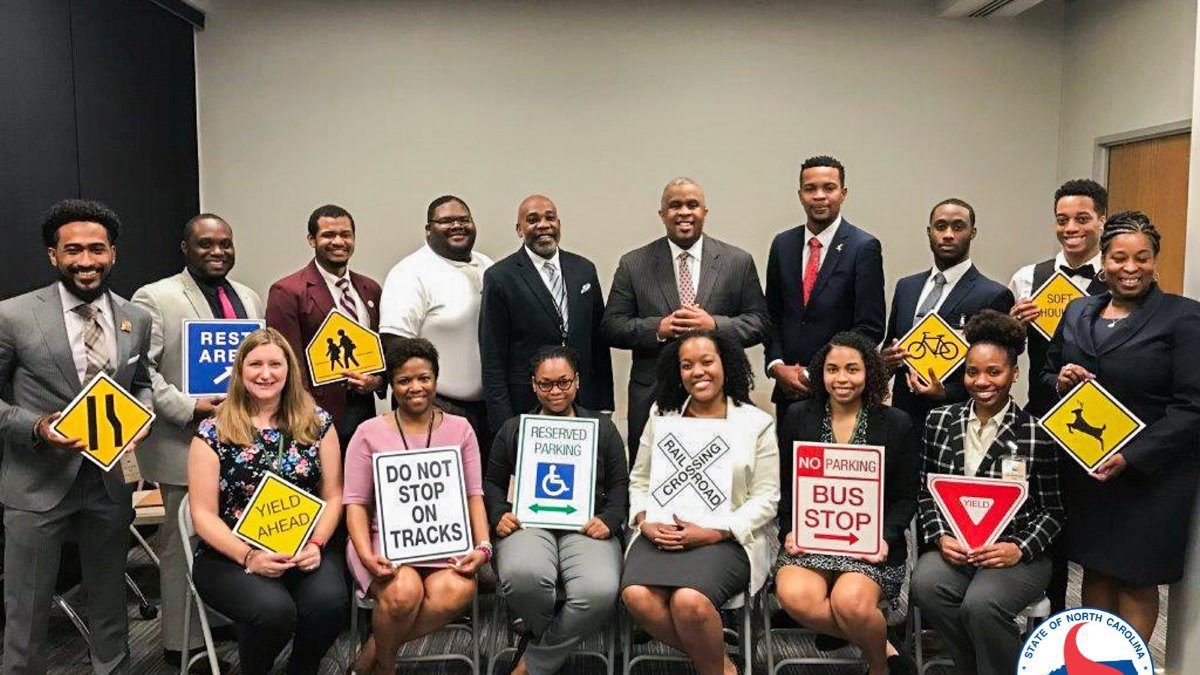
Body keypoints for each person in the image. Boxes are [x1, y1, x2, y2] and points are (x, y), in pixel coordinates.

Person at [0, 199, 153, 674]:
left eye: (96, 250)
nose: (85, 261)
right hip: (36, 482)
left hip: (109, 484)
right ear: (53, 256)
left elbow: (141, 380)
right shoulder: (14, 316)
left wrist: (143, 415)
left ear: (113, 254)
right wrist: (37, 427)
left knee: (110, 602)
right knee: (26, 613)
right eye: (73, 250)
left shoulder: (135, 318)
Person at [1041, 211, 1200, 642]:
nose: (1130, 268)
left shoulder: (1183, 317)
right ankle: (1096, 663)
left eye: (1142, 258)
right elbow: (1045, 373)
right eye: (1119, 258)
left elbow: (1193, 405)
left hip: (1151, 476)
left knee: (1135, 578)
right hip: (1090, 472)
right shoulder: (1077, 311)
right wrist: (1061, 380)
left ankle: (1129, 667)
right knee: (1095, 570)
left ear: (1155, 262)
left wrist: (1132, 455)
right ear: (1104, 261)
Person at [131, 213, 263, 665]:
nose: (217, 252)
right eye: (205, 244)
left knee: (225, 536)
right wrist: (187, 407)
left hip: (238, 443)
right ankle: (180, 644)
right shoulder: (155, 296)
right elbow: (140, 370)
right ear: (185, 248)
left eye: (225, 244)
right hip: (182, 441)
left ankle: (220, 621)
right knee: (180, 542)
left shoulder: (246, 295)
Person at [187, 328, 347, 675]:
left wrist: (318, 543)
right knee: (274, 612)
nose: (265, 373)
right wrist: (249, 557)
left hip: (304, 549)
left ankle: (301, 668)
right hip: (230, 555)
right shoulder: (213, 431)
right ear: (240, 372)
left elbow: (334, 496)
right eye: (255, 364)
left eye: (275, 364)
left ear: (289, 370)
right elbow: (202, 515)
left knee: (330, 603)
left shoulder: (317, 423)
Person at [912, 310, 1063, 675]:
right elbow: (925, 493)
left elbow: (1053, 511)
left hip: (1016, 553)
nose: (982, 381)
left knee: (981, 605)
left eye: (994, 372)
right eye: (972, 372)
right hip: (957, 547)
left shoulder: (1037, 432)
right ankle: (978, 667)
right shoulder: (939, 421)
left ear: (1014, 374)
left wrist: (1018, 549)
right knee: (924, 585)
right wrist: (939, 537)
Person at [621, 329, 779, 675]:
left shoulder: (757, 424)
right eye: (687, 365)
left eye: (707, 361)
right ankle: (722, 665)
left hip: (727, 538)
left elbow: (766, 499)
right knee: (636, 596)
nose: (698, 372)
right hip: (662, 533)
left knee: (688, 601)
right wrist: (644, 519)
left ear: (726, 365)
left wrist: (716, 532)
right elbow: (640, 480)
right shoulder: (662, 415)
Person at [773, 332, 918, 675]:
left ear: (869, 372)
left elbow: (906, 496)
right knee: (795, 597)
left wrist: (885, 537)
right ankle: (884, 649)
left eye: (852, 369)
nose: (841, 379)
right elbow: (785, 484)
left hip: (871, 543)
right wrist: (789, 530)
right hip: (811, 538)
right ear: (820, 374)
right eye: (832, 369)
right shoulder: (797, 416)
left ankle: (879, 669)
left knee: (849, 603)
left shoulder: (895, 423)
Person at [343, 337, 490, 675]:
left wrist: (483, 548)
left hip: (443, 541)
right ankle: (387, 668)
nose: (416, 387)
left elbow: (474, 495)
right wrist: (367, 556)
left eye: (424, 378)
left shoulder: (461, 429)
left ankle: (369, 661)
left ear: (436, 380)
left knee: (457, 590)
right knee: (403, 593)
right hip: (382, 542)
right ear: (392, 385)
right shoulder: (368, 433)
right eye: (404, 380)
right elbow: (355, 504)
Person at [484, 345, 628, 675]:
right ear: (533, 385)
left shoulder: (602, 428)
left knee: (599, 589)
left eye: (563, 382)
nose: (556, 391)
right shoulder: (514, 428)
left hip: (588, 526)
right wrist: (498, 514)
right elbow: (492, 483)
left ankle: (535, 658)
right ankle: (550, 636)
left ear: (577, 382)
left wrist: (609, 520)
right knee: (522, 577)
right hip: (529, 524)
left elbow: (621, 484)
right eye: (545, 384)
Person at [602, 178, 769, 457]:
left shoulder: (737, 262)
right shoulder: (633, 264)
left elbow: (759, 322)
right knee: (651, 474)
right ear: (662, 214)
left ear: (705, 211)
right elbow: (612, 326)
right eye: (674, 205)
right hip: (653, 393)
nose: (684, 212)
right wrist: (658, 328)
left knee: (722, 474)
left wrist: (714, 325)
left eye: (692, 205)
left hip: (719, 392)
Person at [764, 155, 886, 536]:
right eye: (811, 188)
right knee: (789, 479)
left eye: (828, 188)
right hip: (788, 389)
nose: (820, 196)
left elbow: (869, 326)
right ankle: (789, 550)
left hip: (840, 393)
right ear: (800, 194)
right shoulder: (782, 244)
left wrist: (818, 371)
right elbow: (772, 315)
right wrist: (777, 364)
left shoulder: (863, 247)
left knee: (832, 485)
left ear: (843, 193)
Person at [1007, 179, 1108, 613]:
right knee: (1048, 523)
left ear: (1102, 220)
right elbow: (1009, 353)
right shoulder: (1028, 277)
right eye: (1063, 219)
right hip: (1045, 411)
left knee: (1101, 532)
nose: (1072, 228)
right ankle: (1047, 622)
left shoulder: (1118, 272)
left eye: (1083, 218)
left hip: (1105, 419)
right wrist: (1015, 323)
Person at [480, 194, 614, 436]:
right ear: (519, 229)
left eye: (549, 218)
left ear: (559, 224)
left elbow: (598, 344)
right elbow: (493, 358)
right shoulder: (500, 277)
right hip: (527, 406)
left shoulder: (584, 270)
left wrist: (604, 404)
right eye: (532, 220)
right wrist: (503, 424)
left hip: (583, 404)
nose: (543, 225)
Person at [881, 198, 1015, 429]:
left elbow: (997, 369)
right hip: (902, 418)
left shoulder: (993, 295)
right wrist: (887, 360)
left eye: (958, 226)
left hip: (956, 421)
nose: (948, 234)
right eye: (941, 226)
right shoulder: (906, 287)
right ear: (929, 232)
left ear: (972, 232)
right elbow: (889, 344)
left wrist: (945, 393)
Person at [379, 195, 495, 445]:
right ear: (428, 229)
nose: (457, 226)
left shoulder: (488, 266)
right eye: (446, 221)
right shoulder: (410, 272)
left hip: (488, 410)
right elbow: (395, 345)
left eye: (464, 219)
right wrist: (420, 402)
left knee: (481, 484)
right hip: (437, 408)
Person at [266, 204, 384, 448]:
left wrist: (377, 381)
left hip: (363, 411)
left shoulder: (370, 289)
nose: (338, 241)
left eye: (345, 234)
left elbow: (380, 347)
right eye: (328, 235)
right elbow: (287, 359)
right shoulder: (287, 291)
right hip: (312, 414)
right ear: (312, 240)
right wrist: (305, 414)